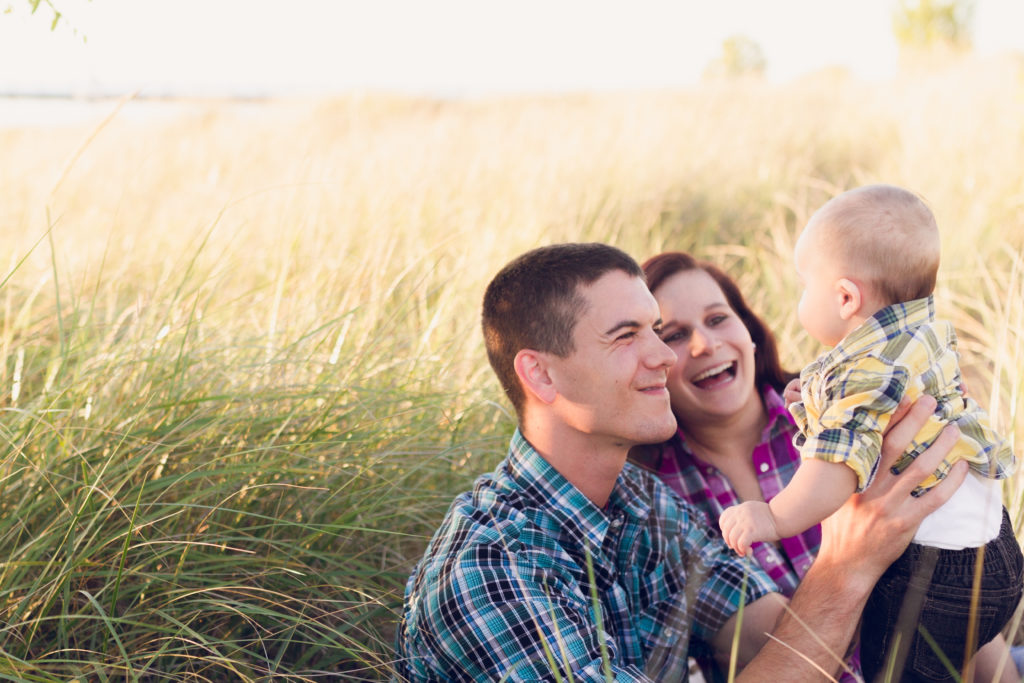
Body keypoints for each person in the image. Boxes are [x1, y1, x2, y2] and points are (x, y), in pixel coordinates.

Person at [392, 241, 967, 682]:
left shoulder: (648, 508)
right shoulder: (490, 571)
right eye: (626, 337)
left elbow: (779, 640)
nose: (665, 357)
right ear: (541, 375)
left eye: (653, 330)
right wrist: (846, 563)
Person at [718, 185, 1024, 682]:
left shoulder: (863, 372)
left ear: (844, 297)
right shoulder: (920, 337)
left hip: (935, 574)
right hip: (999, 553)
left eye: (804, 286)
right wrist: (817, 408)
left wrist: (772, 516)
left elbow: (835, 470)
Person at [628, 250, 862, 682]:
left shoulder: (839, 415)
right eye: (675, 336)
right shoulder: (651, 496)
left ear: (749, 331)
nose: (705, 345)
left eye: (718, 319)